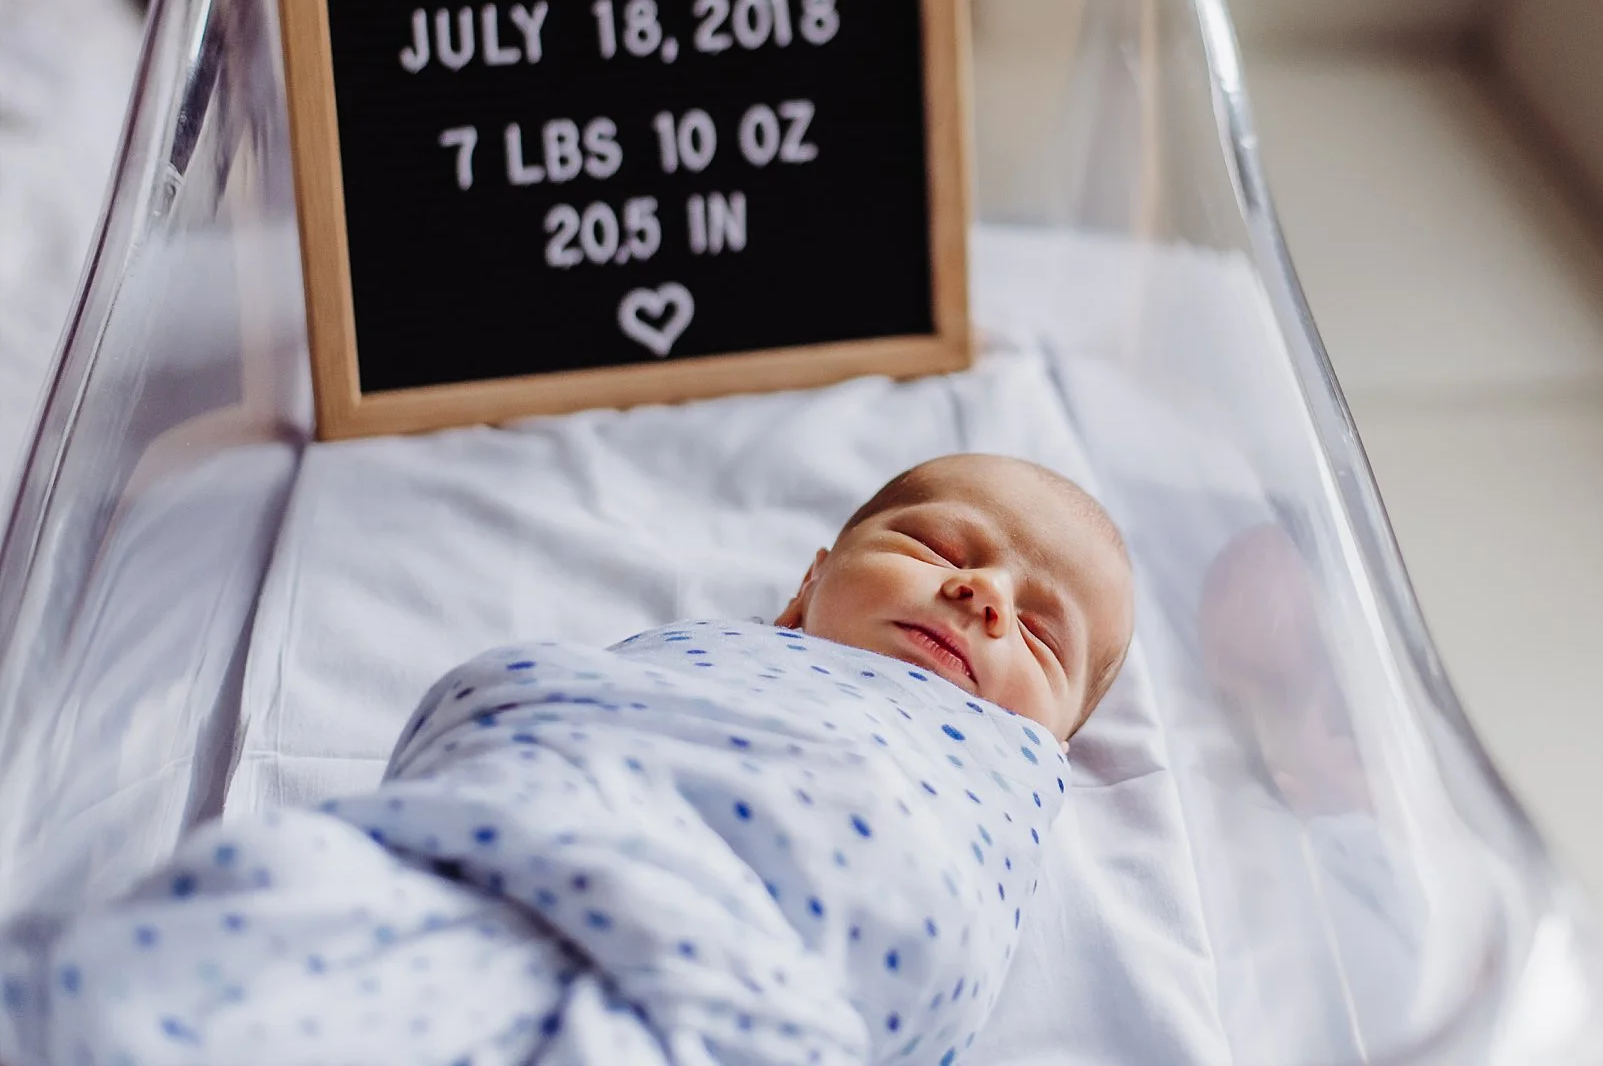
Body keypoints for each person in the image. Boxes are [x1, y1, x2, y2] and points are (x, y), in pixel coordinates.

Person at [0, 454, 1134, 1066]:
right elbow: (523, 710)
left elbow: (934, 941)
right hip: (497, 857)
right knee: (277, 906)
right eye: (938, 546)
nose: (982, 596)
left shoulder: (993, 785)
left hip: (743, 987)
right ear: (806, 584)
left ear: (1051, 748)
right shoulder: (701, 660)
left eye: (1040, 631)